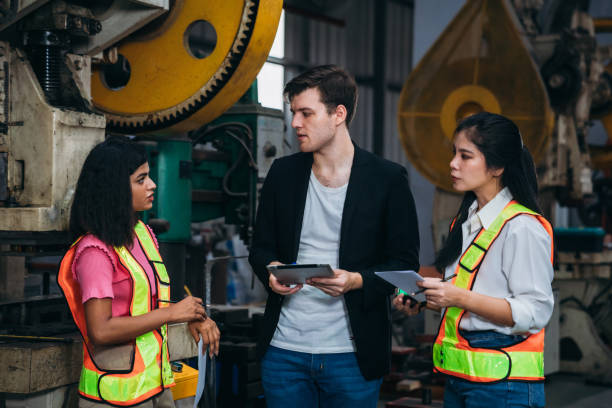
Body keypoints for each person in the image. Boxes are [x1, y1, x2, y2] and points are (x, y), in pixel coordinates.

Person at [249, 65, 420, 407]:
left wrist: (356, 281)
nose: (295, 122)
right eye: (293, 112)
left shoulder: (387, 179)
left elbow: (404, 265)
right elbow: (261, 247)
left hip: (351, 356)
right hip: (285, 353)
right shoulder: (283, 174)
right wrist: (271, 272)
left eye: (306, 113)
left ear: (338, 114)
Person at [394, 112, 554, 408]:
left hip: (504, 387)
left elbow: (535, 312)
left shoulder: (522, 228)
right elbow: (471, 291)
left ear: (497, 167)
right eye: (454, 153)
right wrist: (424, 297)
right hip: (462, 380)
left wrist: (458, 297)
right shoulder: (467, 221)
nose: (453, 164)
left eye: (465, 156)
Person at [58, 137, 220, 407]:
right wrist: (172, 313)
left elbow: (150, 304)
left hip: (154, 386)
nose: (152, 184)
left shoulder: (142, 235)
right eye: (141, 179)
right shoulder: (94, 253)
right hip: (113, 396)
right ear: (115, 189)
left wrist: (191, 318)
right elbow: (101, 330)